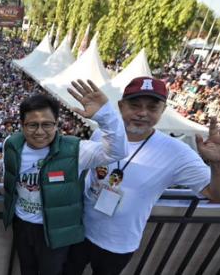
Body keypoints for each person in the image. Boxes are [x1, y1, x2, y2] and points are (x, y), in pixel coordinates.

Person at [66, 76, 220, 275]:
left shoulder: (178, 153)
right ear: (121, 106)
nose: (142, 113)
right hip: (80, 231)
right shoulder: (101, 134)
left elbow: (215, 195)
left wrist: (217, 164)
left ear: (163, 110)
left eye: (152, 108)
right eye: (135, 105)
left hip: (119, 245)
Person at [2, 80, 129, 275]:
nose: (39, 132)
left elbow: (118, 152)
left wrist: (106, 116)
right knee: (27, 270)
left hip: (56, 231)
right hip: (22, 225)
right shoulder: (12, 144)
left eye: (47, 125)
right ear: (21, 125)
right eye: (32, 125)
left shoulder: (76, 150)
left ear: (57, 124)